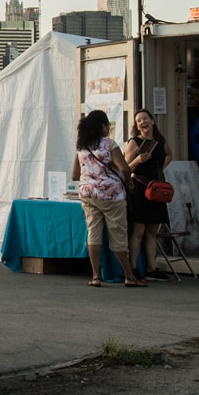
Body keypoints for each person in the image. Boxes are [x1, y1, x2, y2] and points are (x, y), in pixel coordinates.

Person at [71, 109, 140, 287]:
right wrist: (128, 183)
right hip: (112, 195)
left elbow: (74, 175)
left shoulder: (82, 147)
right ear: (103, 126)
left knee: (93, 234)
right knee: (118, 234)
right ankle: (129, 276)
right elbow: (124, 168)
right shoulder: (109, 144)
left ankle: (95, 276)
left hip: (88, 195)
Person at [124, 108, 173, 281]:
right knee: (139, 230)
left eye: (145, 119)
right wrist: (138, 160)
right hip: (140, 189)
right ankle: (134, 268)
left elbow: (169, 154)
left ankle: (152, 268)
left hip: (156, 189)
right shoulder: (134, 142)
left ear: (152, 121)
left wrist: (160, 167)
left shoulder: (160, 141)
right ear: (137, 126)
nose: (142, 122)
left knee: (153, 230)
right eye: (138, 121)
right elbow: (125, 168)